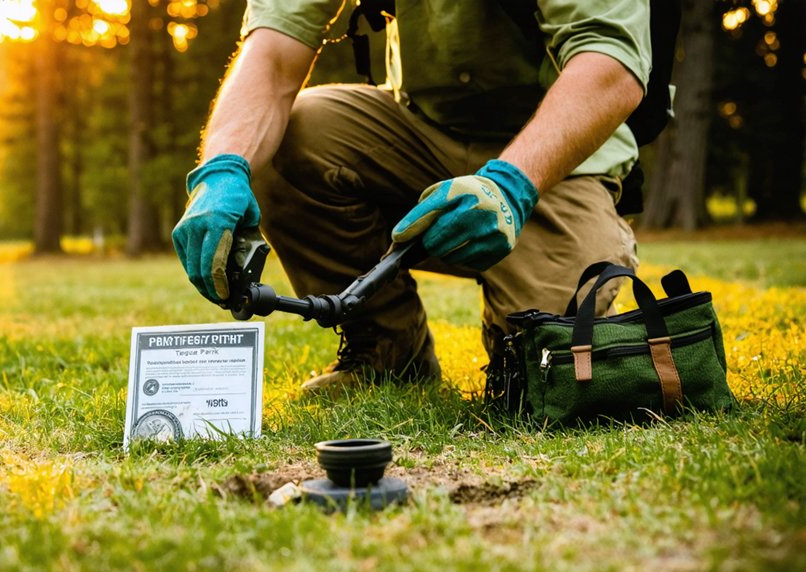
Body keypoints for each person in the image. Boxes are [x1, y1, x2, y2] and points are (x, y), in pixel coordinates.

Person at [172, 0, 649, 391]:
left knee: (535, 374)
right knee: (290, 138)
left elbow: (609, 62)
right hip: (419, 132)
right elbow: (273, 55)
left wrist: (510, 184)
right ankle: (388, 353)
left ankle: (521, 340)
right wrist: (221, 171)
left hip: (556, 160)